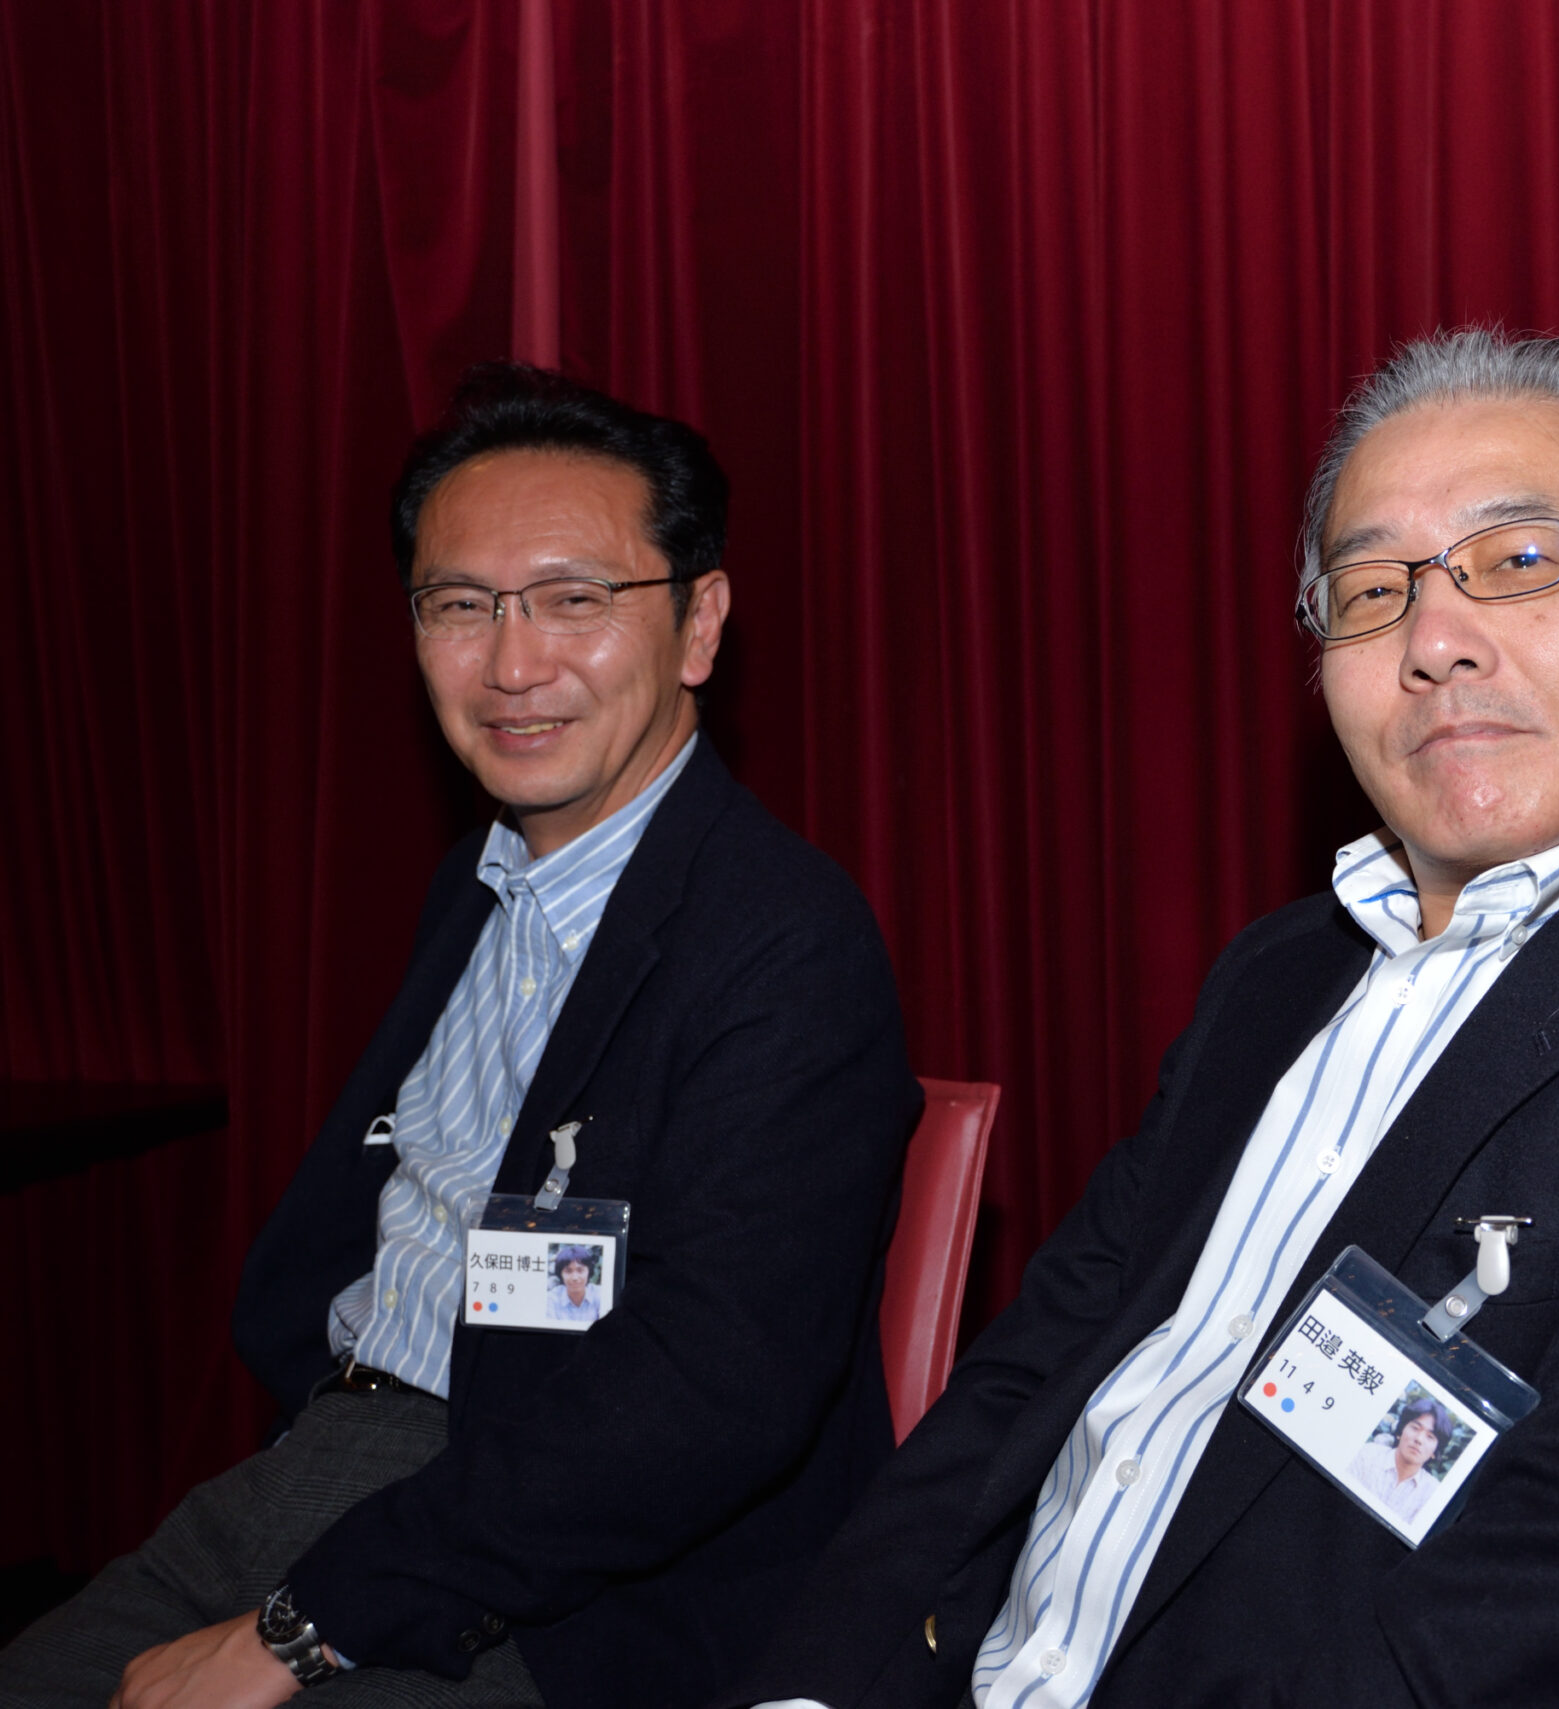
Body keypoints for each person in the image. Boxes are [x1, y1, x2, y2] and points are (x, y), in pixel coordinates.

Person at [733, 328, 1559, 1709]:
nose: (1434, 640)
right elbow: (1021, 1391)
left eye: (1522, 559)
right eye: (1374, 589)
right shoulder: (1277, 977)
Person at [0, 366, 920, 1709]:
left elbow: (706, 1394)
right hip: (332, 1463)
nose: (511, 665)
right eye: (458, 606)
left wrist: (302, 1628)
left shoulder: (784, 942)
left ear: (699, 622)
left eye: (574, 599)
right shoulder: (477, 884)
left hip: (586, 1581)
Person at [1349, 1397, 1451, 1526]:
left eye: (1430, 1437)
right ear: (1400, 1431)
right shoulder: (1367, 1455)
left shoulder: (1432, 1494)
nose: (1419, 1439)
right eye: (1415, 1428)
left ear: (1434, 1452)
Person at [545, 1246, 602, 1324]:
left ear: (589, 1271)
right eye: (568, 1271)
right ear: (560, 1274)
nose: (575, 1277)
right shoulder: (551, 1299)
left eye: (580, 1270)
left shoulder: (600, 1294)